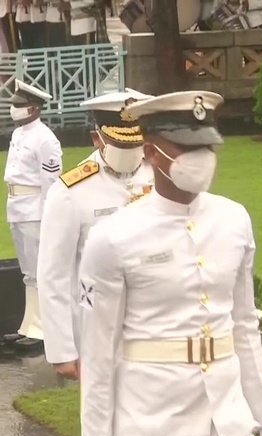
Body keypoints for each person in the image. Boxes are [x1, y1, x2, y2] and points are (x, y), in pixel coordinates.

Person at [78, 90, 262, 436]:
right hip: (153, 427)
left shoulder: (233, 220)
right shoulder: (113, 237)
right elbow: (98, 356)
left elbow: (245, 327)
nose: (202, 159)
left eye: (207, 148)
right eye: (187, 148)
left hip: (228, 426)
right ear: (152, 151)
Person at [37, 89, 155, 381]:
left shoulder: (159, 177)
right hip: (98, 328)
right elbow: (53, 274)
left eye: (135, 144)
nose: (129, 153)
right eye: (119, 144)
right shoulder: (70, 192)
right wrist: (62, 349)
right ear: (97, 139)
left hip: (156, 323)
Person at [3, 79, 62, 350]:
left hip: (35, 208)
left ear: (34, 108)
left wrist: (50, 214)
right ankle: (30, 324)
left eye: (21, 106)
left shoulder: (45, 138)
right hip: (16, 204)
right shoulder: (18, 134)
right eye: (14, 104)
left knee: (40, 271)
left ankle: (44, 329)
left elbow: (51, 182)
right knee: (28, 272)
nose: (15, 109)